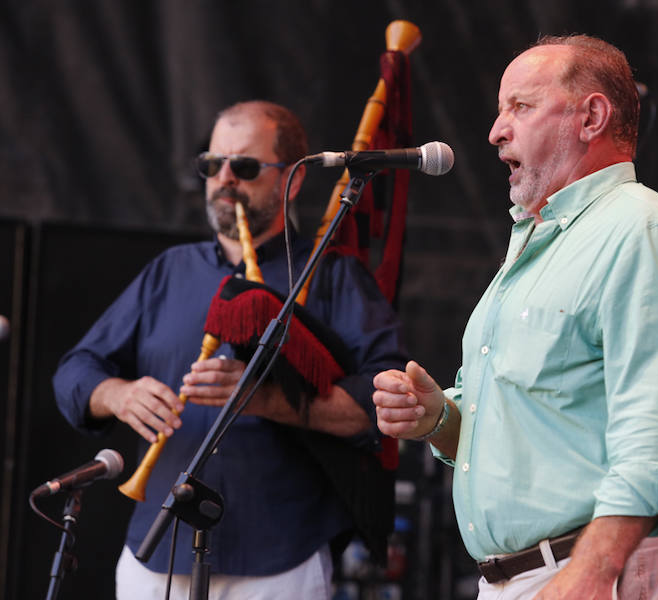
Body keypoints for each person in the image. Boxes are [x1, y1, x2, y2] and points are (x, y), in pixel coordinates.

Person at [372, 35, 658, 599]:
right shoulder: (541, 239)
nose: (495, 130)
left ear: (591, 117)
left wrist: (588, 576)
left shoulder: (644, 236)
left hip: (600, 572)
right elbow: (545, 432)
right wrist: (440, 418)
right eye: (499, 109)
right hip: (527, 576)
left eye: (521, 106)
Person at [54, 100, 408, 599]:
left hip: (280, 558)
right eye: (211, 164)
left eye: (244, 166)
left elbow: (382, 406)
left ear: (294, 179)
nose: (224, 179)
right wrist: (118, 395)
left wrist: (265, 401)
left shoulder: (333, 275)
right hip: (157, 553)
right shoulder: (169, 272)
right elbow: (74, 372)